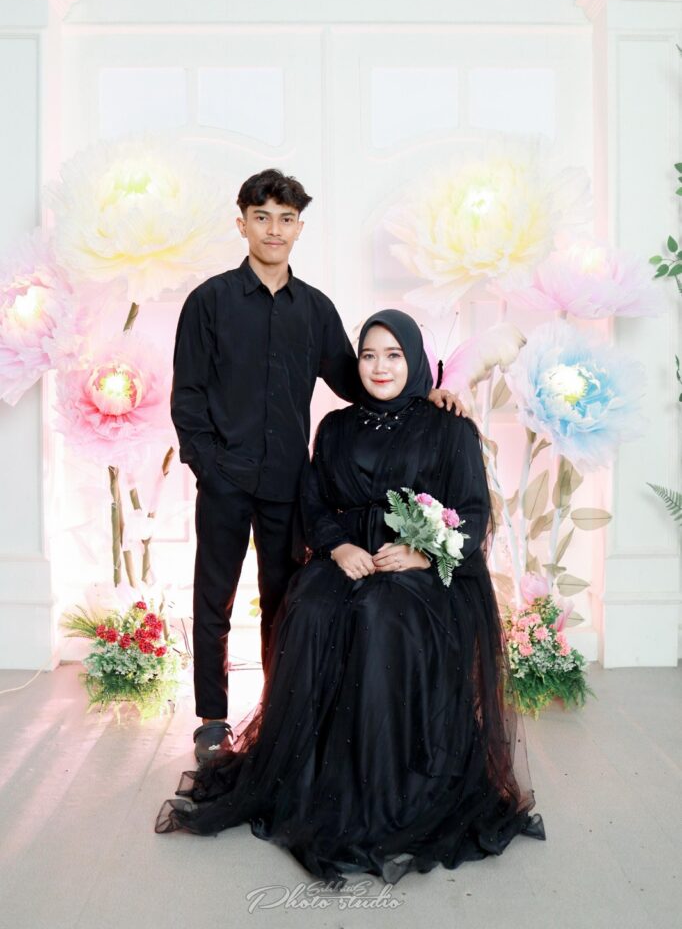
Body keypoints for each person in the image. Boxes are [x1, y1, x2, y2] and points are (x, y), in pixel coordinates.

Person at [156, 309, 545, 884]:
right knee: (310, 606)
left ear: (414, 360)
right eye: (368, 355)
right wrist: (337, 548)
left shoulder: (448, 426)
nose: (380, 367)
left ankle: (385, 788)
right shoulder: (335, 426)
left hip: (421, 568)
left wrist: (421, 553)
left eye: (394, 355)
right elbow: (314, 502)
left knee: (379, 613)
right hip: (350, 555)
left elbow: (473, 511)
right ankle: (312, 780)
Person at [170, 171, 461, 762]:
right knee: (213, 599)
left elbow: (357, 380)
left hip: (287, 483)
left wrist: (424, 390)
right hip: (225, 482)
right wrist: (211, 468)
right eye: (262, 217)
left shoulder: (315, 309)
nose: (273, 230)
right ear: (242, 223)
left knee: (282, 600)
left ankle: (276, 712)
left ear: (299, 228)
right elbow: (188, 397)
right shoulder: (209, 302)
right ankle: (212, 719)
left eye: (286, 219)